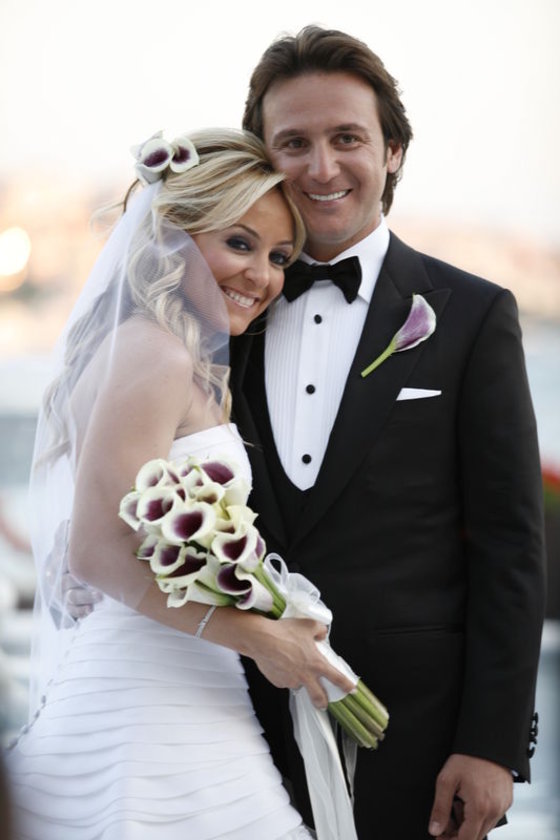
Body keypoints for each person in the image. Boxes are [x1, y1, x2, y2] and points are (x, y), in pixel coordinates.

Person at [229, 25, 546, 840]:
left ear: (393, 150)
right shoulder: (222, 315)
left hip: (416, 736)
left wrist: (491, 745)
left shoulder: (474, 315)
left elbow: (511, 545)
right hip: (229, 722)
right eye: (293, 143)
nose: (321, 167)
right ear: (263, 157)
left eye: (347, 138)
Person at [4, 127, 356, 839]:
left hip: (183, 684)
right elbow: (97, 553)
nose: (261, 276)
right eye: (239, 243)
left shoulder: (165, 357)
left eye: (279, 256)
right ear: (172, 239)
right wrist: (264, 638)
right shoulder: (155, 354)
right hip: (147, 701)